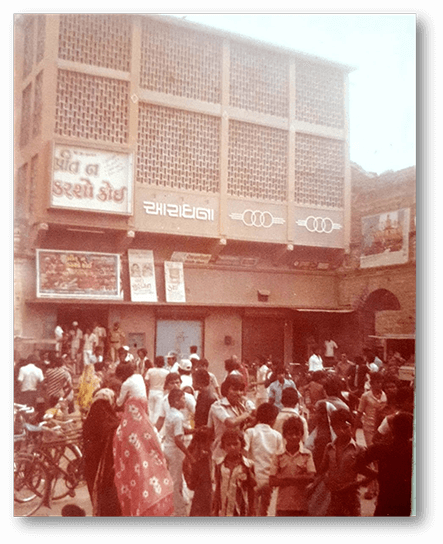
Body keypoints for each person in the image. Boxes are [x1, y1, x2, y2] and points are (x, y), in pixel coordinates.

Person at [113, 361, 174, 517]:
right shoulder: (139, 376)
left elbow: (120, 402)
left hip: (132, 415)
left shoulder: (126, 383)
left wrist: (116, 399)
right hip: (143, 413)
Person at [356, 411, 413, 516]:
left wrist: (375, 474)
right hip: (406, 501)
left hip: (385, 500)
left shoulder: (381, 448)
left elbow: (357, 463)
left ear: (392, 429)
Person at [317, 408, 373, 517]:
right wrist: (327, 480)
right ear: (333, 429)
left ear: (351, 427)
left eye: (345, 427)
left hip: (352, 497)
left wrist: (353, 484)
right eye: (337, 428)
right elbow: (322, 470)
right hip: (333, 496)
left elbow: (372, 475)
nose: (341, 431)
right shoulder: (329, 448)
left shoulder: (359, 450)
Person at [82, 388, 122, 516]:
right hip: (108, 470)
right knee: (110, 500)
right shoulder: (113, 422)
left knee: (97, 498)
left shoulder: (89, 420)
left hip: (92, 466)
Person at [269, 416, 316, 516]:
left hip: (302, 505)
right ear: (284, 436)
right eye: (290, 434)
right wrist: (300, 478)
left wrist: (285, 479)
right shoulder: (278, 455)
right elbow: (272, 481)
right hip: (283, 506)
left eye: (297, 434)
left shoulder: (307, 455)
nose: (294, 437)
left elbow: (311, 478)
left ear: (301, 435)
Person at [244, 402, 283, 516]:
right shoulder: (277, 435)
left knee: (252, 509)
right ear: (273, 420)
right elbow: (279, 458)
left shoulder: (251, 432)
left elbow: (244, 454)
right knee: (264, 509)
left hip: (253, 478)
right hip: (269, 479)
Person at [207, 374, 255, 464]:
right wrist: (247, 413)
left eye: (241, 390)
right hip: (221, 453)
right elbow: (231, 423)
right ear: (226, 390)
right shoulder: (217, 406)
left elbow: (254, 419)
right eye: (234, 389)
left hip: (238, 452)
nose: (238, 393)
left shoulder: (240, 405)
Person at [162, 388, 194, 516]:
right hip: (175, 451)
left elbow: (180, 430)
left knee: (175, 478)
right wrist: (188, 454)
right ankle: (178, 510)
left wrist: (195, 431)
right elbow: (178, 439)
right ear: (176, 401)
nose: (184, 401)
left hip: (168, 448)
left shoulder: (171, 413)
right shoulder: (178, 416)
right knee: (176, 481)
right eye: (182, 399)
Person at [212, 428, 256, 517]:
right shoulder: (219, 464)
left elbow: (252, 491)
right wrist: (215, 510)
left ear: (242, 444)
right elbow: (217, 488)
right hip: (223, 511)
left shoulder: (248, 465)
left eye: (235, 444)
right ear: (223, 446)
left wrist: (252, 511)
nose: (232, 447)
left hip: (241, 511)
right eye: (228, 444)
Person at [155, 372, 196, 447]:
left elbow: (196, 414)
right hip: (170, 439)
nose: (175, 385)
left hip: (186, 438)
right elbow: (161, 419)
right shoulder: (164, 400)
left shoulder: (188, 398)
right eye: (172, 383)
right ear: (167, 385)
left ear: (180, 383)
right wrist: (154, 433)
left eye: (177, 382)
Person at [185, 426, 213, 517]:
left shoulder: (196, 459)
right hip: (206, 494)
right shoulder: (206, 459)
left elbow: (191, 484)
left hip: (200, 495)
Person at [145, 356, 170, 425]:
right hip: (160, 392)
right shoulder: (166, 372)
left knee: (150, 410)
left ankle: (149, 424)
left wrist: (149, 387)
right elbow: (167, 383)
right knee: (158, 410)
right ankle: (155, 426)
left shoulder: (150, 371)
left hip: (151, 391)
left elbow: (146, 381)